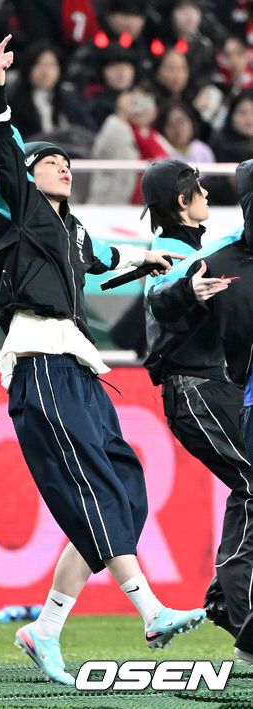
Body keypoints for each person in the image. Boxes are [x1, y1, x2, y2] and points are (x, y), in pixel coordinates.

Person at [0, 35, 205, 686]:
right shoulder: (19, 211)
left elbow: (104, 257)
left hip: (78, 365)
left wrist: (146, 259)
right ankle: (152, 610)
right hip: (42, 359)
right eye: (50, 162)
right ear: (27, 175)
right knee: (94, 489)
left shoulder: (72, 229)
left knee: (123, 487)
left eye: (66, 163)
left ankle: (46, 628)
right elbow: (2, 147)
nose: (63, 168)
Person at [142, 159, 253, 643]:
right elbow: (159, 295)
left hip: (212, 386)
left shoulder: (196, 247)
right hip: (196, 387)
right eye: (198, 189)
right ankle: (236, 605)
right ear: (183, 201)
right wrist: (186, 288)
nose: (206, 194)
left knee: (249, 484)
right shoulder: (173, 253)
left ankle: (227, 600)